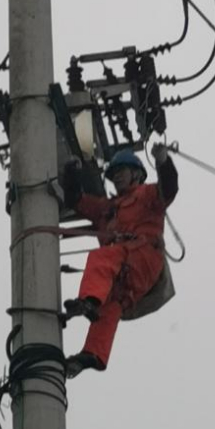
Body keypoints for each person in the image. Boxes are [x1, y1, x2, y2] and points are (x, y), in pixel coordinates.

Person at [61, 144, 179, 378]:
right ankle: (93, 354)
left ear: (136, 173)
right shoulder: (107, 209)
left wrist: (163, 161)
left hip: (143, 257)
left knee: (102, 257)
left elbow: (169, 188)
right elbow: (77, 201)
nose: (116, 177)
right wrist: (71, 172)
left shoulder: (147, 194)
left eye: (121, 171)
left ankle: (88, 301)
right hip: (123, 270)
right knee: (113, 301)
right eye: (113, 174)